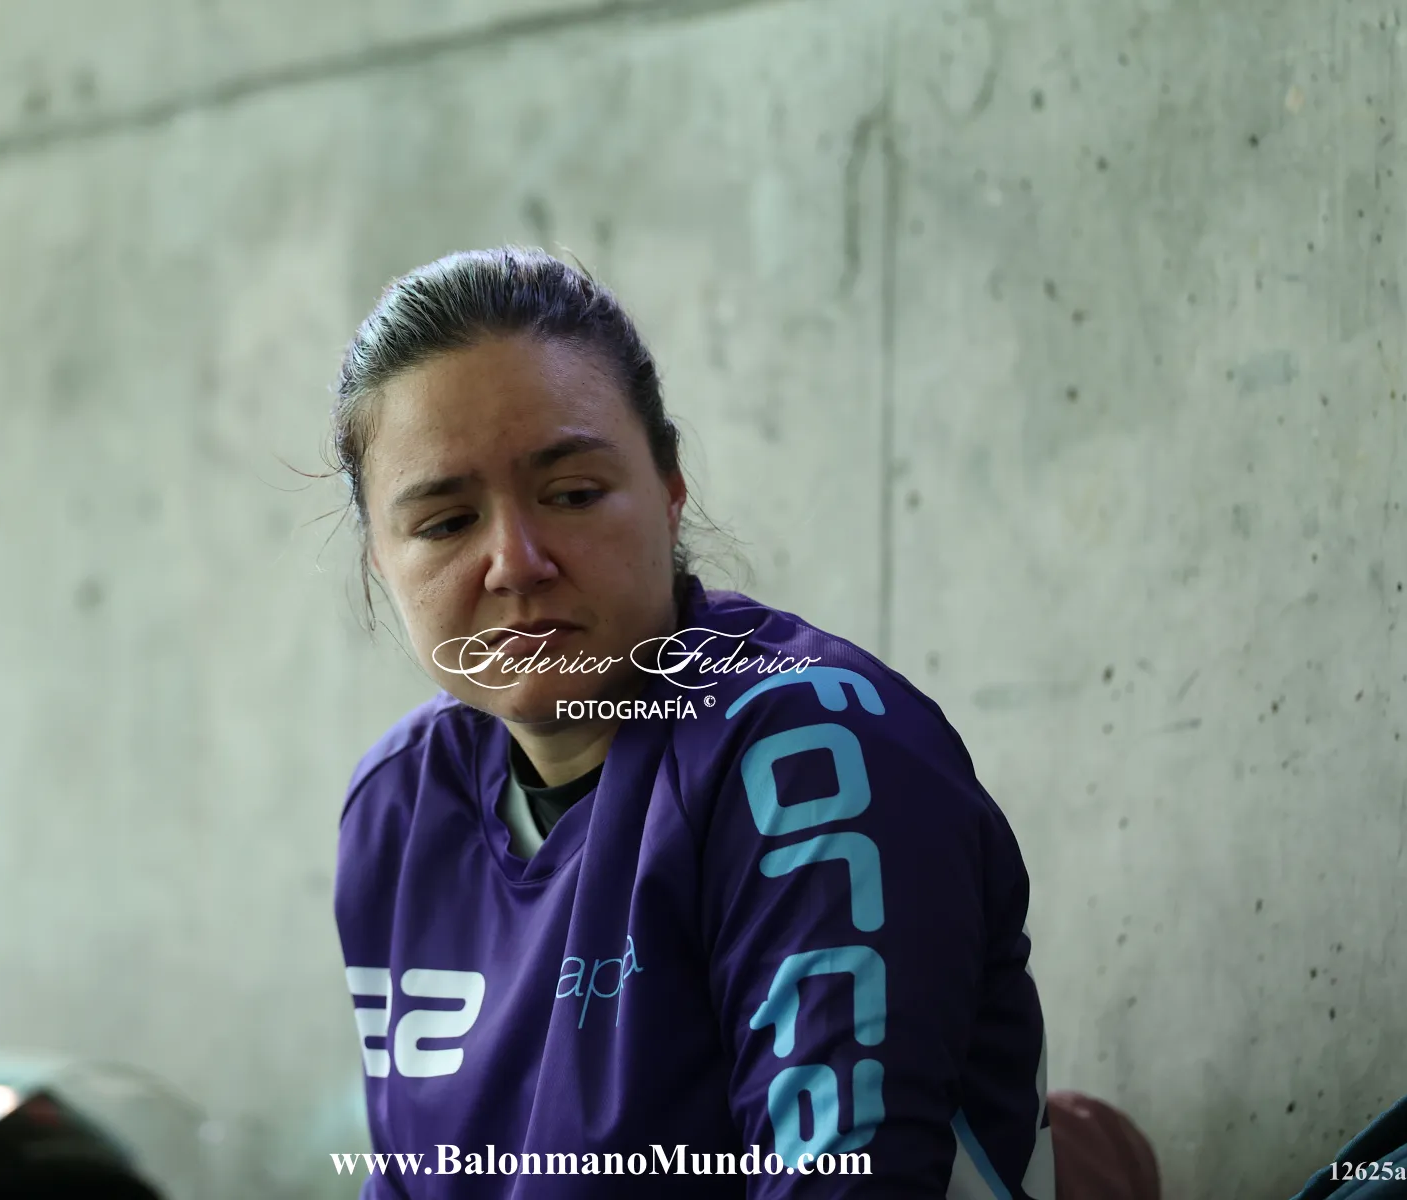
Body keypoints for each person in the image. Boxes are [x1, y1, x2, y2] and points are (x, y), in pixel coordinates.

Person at [327, 245, 1054, 1197]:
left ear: (670, 491)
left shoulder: (811, 759)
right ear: (380, 560)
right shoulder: (399, 806)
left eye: (572, 494)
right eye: (445, 523)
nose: (517, 561)